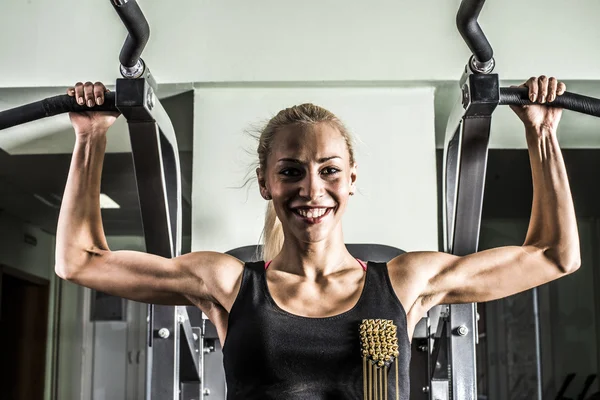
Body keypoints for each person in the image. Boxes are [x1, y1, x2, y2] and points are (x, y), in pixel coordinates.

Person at [55, 76, 580, 400]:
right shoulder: (229, 282)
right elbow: (80, 262)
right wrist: (90, 137)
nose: (312, 189)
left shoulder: (406, 281)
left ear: (352, 179)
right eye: (291, 171)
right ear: (265, 182)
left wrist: (541, 131)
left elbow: (554, 256)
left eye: (330, 170)